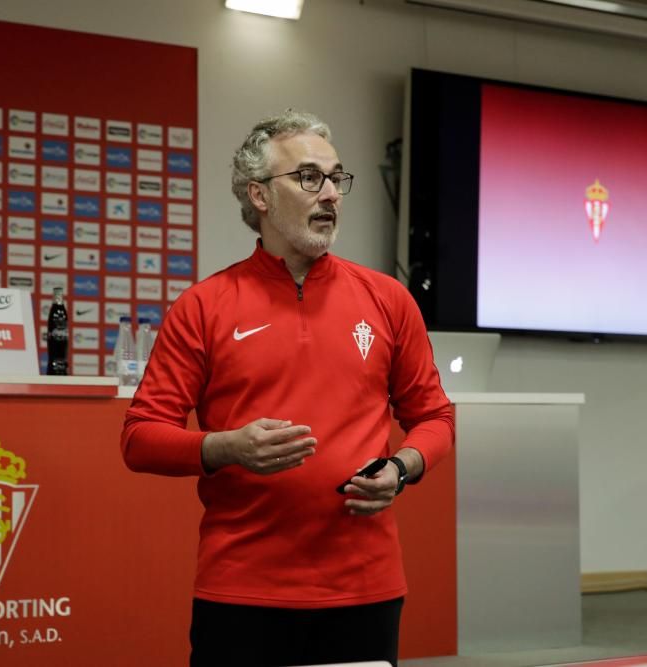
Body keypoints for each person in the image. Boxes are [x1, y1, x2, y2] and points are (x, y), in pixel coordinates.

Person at [120, 110, 454, 667]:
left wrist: (402, 469)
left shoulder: (388, 300)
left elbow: (436, 418)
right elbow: (140, 438)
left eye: (336, 178)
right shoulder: (203, 307)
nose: (329, 194)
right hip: (242, 588)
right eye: (307, 177)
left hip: (362, 587)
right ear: (259, 196)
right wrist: (227, 447)